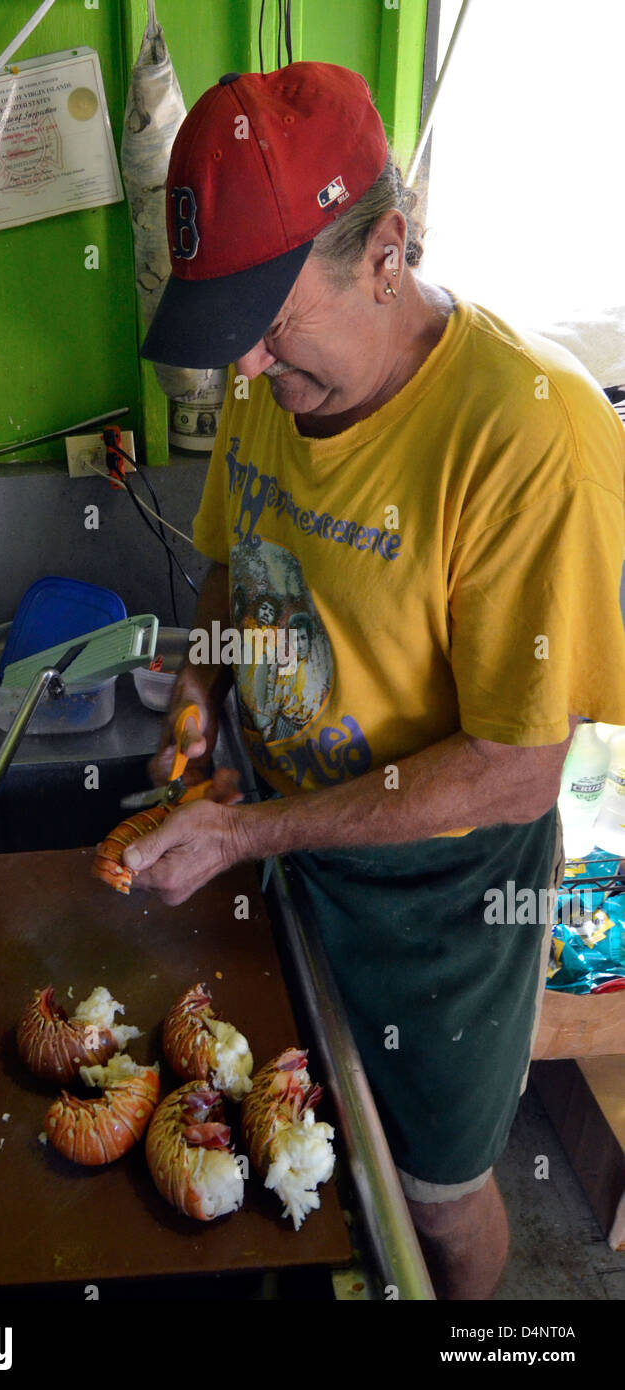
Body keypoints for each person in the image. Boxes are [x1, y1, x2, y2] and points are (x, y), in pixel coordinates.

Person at [132, 63, 625, 1299]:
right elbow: (228, 570)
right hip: (286, 849)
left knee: (432, 1202)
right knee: (305, 1141)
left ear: (385, 250)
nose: (242, 366)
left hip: (441, 901)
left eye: (268, 319)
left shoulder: (525, 439)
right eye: (224, 328)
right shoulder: (275, 385)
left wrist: (245, 829)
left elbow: (513, 774)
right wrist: (203, 684)